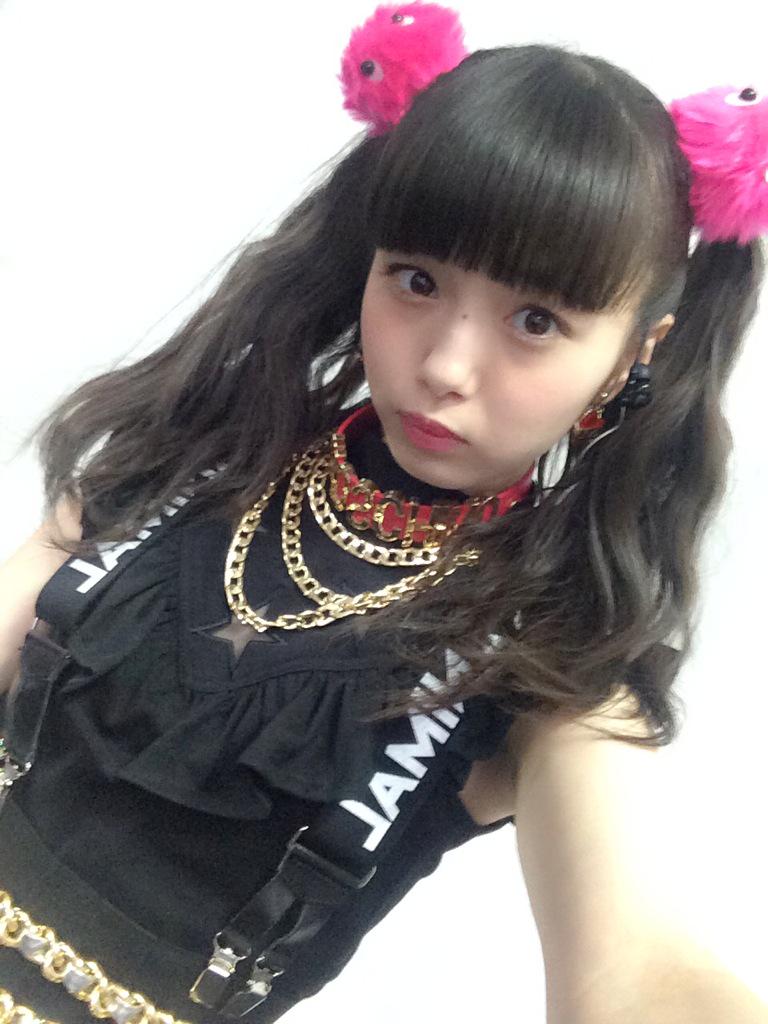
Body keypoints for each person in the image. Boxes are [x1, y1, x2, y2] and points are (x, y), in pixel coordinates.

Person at [0, 4, 766, 1022]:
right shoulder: (195, 454)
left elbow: (635, 966)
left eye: (536, 320)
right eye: (416, 280)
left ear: (636, 352)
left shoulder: (549, 665)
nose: (446, 365)